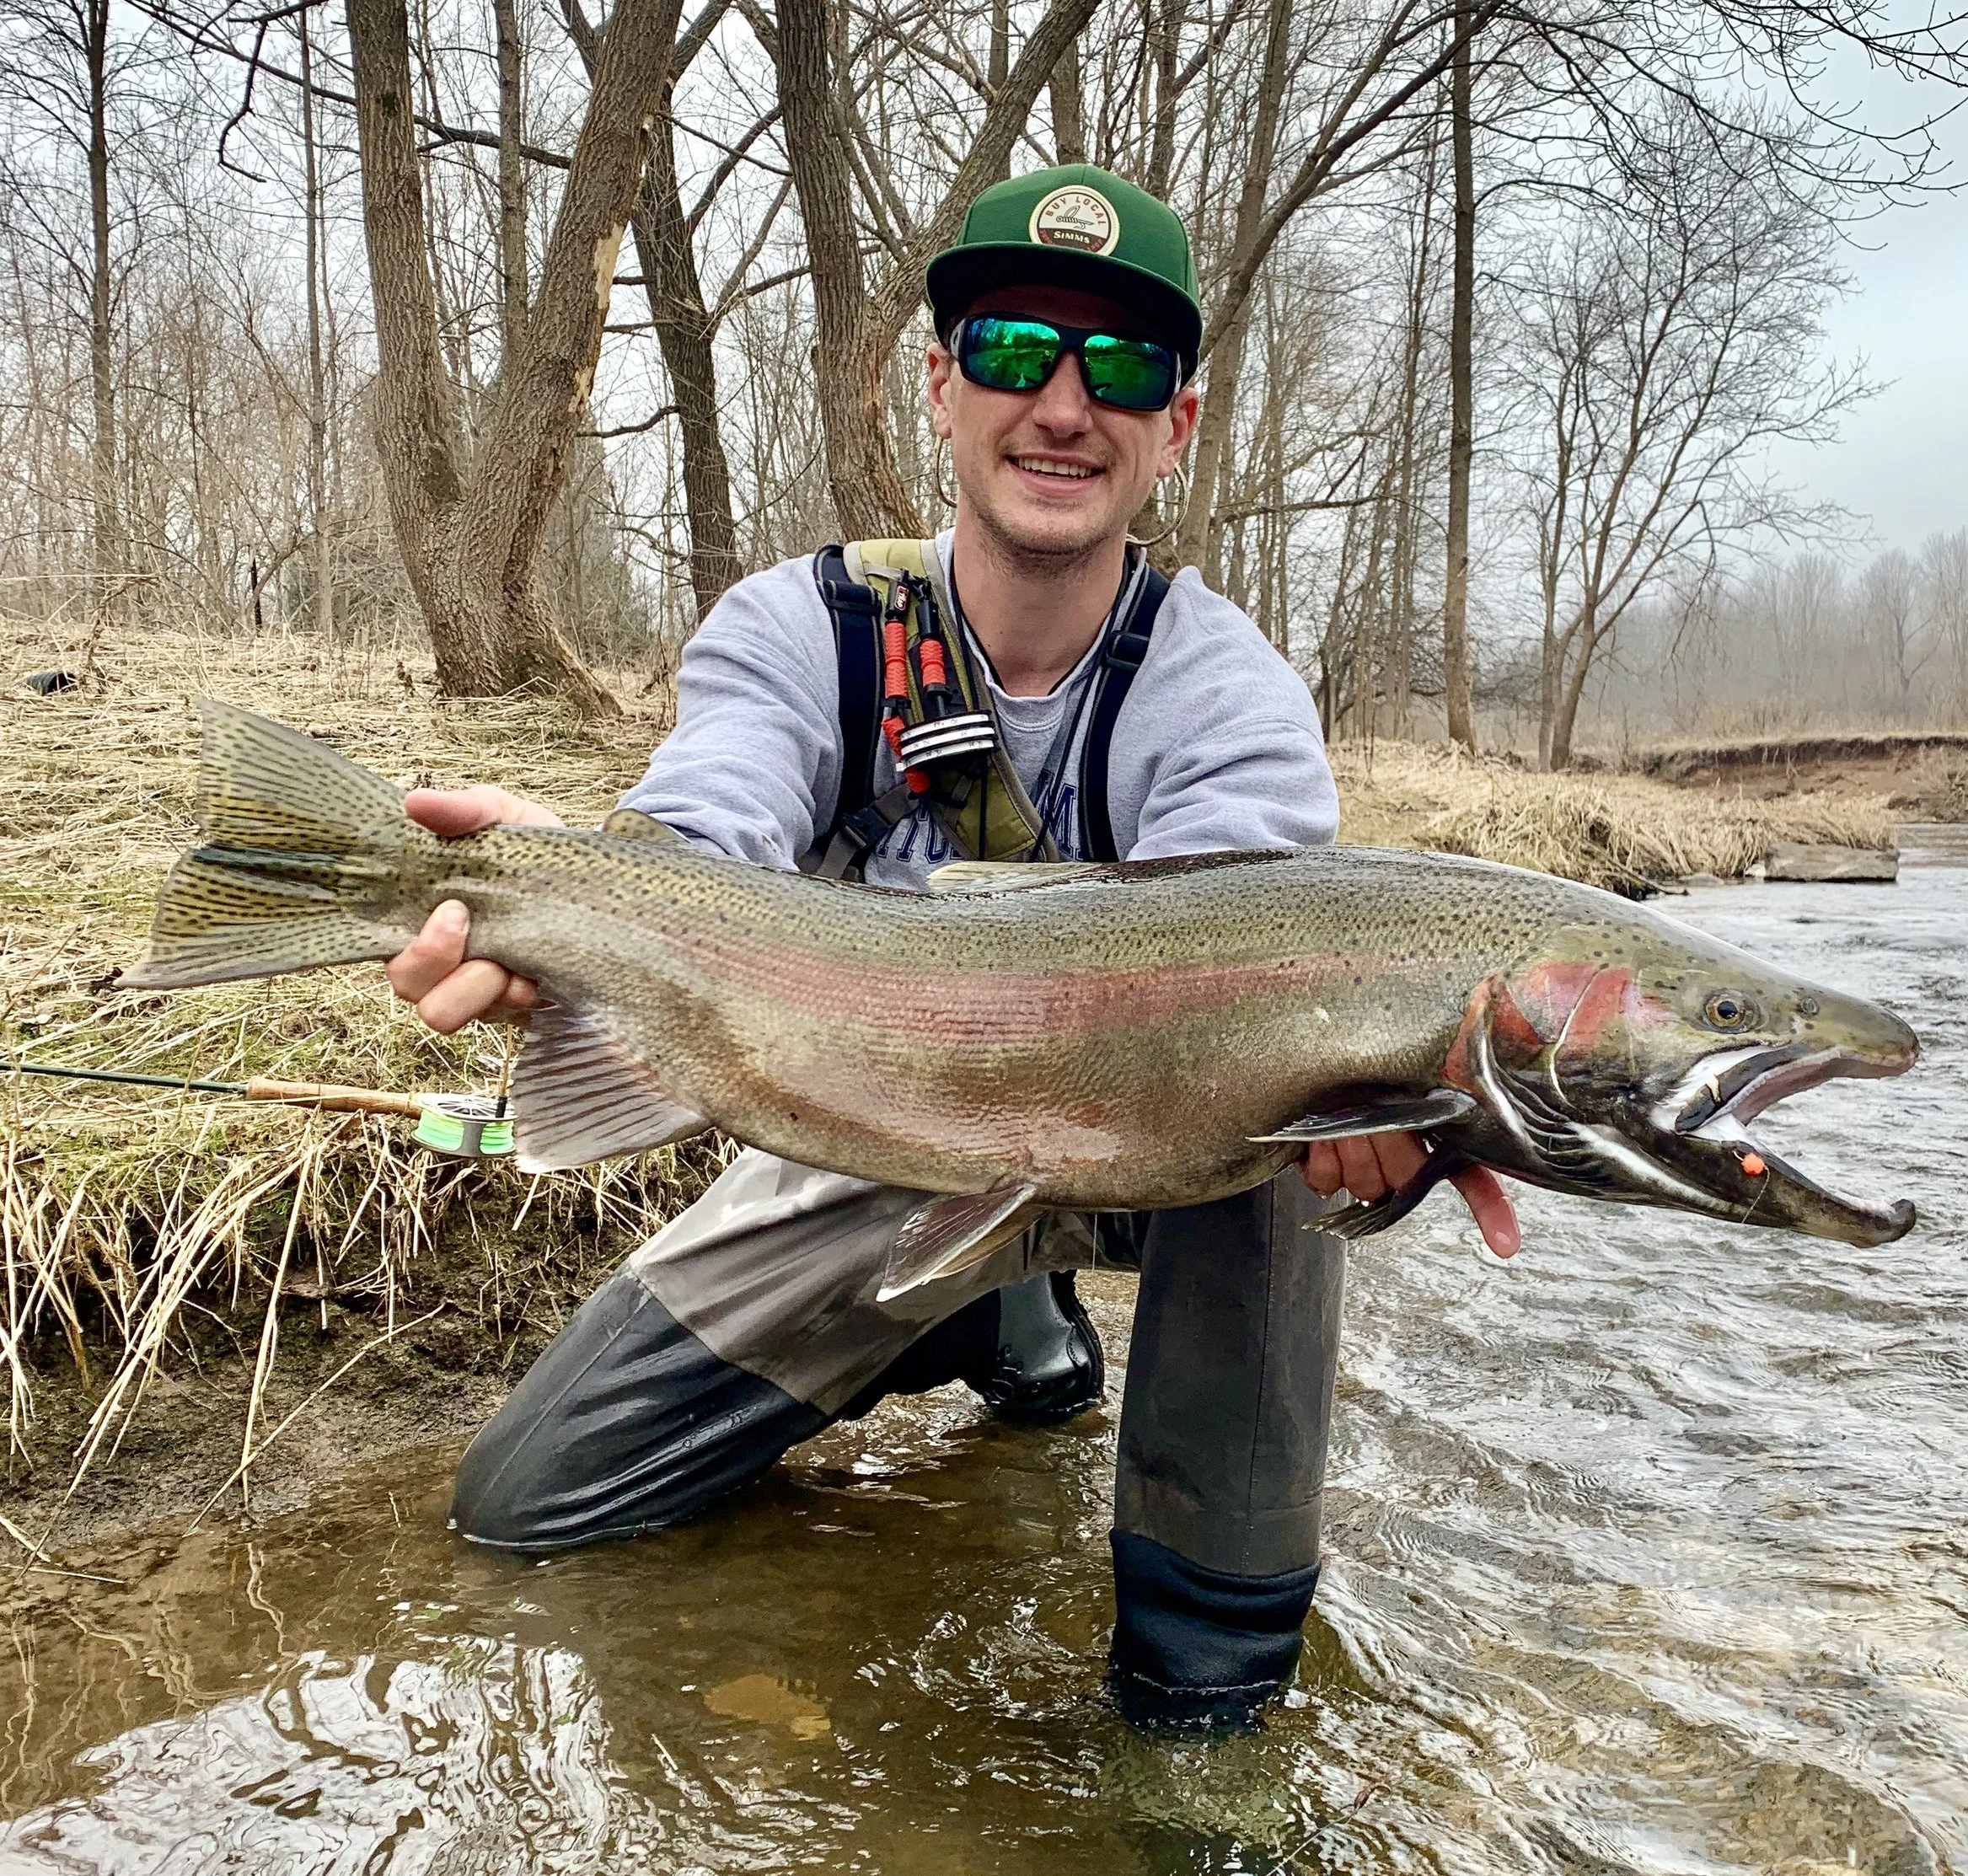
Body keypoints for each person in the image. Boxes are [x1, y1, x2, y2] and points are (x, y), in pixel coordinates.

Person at [385, 165, 1517, 1727]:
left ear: (1173, 428)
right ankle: (997, 1311)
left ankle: (1204, 1699)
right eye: (1012, 353)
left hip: (1168, 1147)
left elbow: (1287, 1006)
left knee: (1275, 1151)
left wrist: (1380, 1139)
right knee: (519, 1505)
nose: (1063, 403)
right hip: (870, 1116)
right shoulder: (806, 630)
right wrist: (575, 907)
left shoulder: (1224, 691)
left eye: (1118, 367)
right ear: (938, 383)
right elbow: (704, 830)